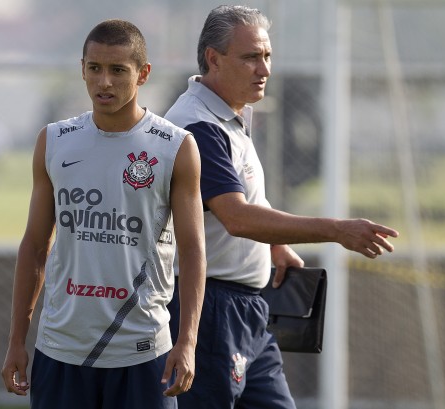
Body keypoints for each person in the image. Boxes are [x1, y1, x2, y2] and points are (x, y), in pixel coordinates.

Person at [164, 5, 400, 409]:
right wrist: (337, 230)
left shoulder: (227, 117)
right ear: (213, 59)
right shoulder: (198, 125)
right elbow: (236, 217)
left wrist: (272, 245)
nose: (264, 69)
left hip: (249, 309)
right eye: (251, 57)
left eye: (267, 56)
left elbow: (243, 199)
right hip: (211, 309)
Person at [1, 19, 206, 409]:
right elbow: (35, 246)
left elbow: (194, 251)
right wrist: (16, 341)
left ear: (143, 74)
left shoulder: (176, 148)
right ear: (82, 69)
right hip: (60, 347)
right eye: (94, 69)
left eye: (118, 70)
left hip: (143, 350)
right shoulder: (54, 141)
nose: (104, 82)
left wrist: (188, 341)